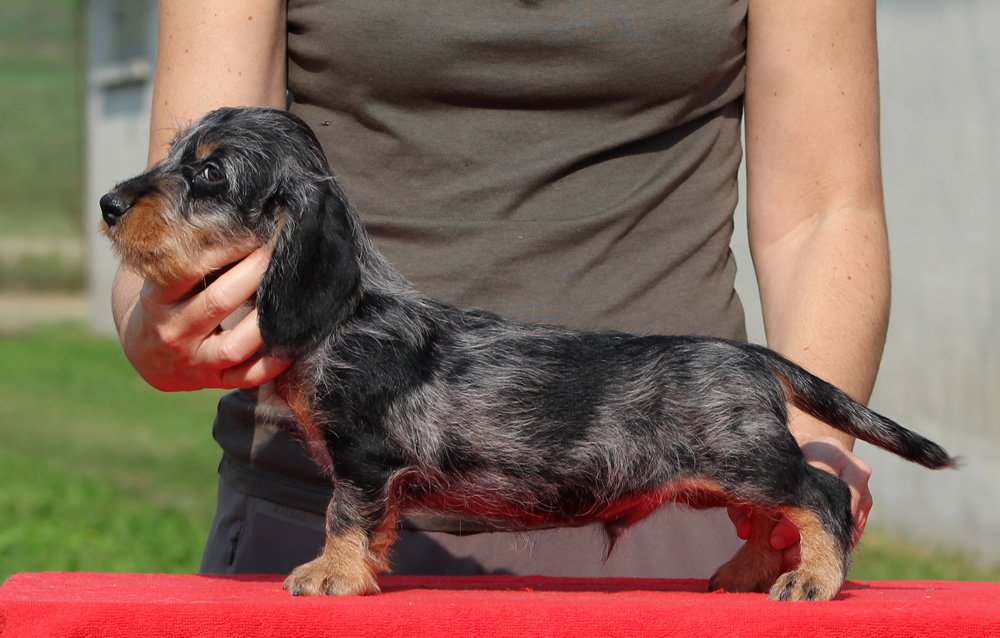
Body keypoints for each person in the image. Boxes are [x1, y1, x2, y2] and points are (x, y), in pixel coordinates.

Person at [112, 0, 886, 579]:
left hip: (674, 524)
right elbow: (174, 219)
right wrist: (155, 328)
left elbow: (827, 213)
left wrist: (798, 453)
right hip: (303, 522)